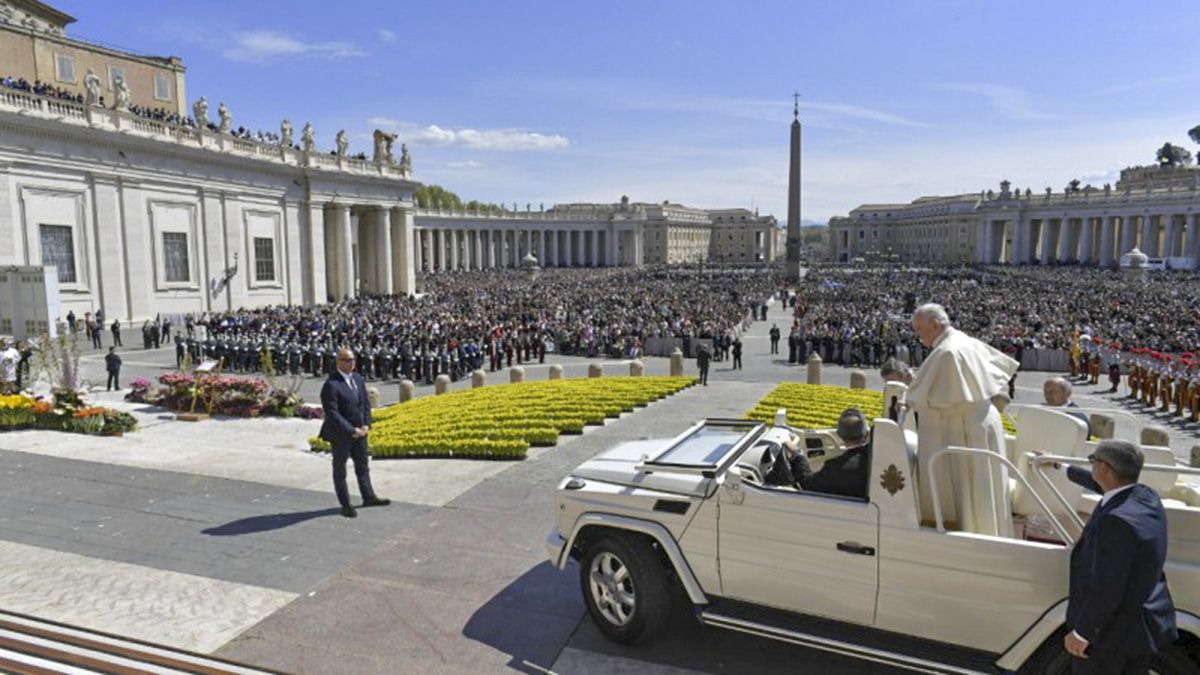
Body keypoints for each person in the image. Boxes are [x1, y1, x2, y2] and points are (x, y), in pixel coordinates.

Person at [1058, 441, 1176, 671]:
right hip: (1140, 629)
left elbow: (1107, 586)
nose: (1091, 466)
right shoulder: (1146, 496)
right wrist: (1062, 467)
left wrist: (1083, 632)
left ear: (1105, 469)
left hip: (1109, 638)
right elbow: (1102, 485)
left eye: (1093, 461)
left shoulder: (1115, 521)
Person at [904, 303, 1019, 537]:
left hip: (963, 427)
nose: (918, 335)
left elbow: (937, 399)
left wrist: (912, 396)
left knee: (970, 489)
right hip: (976, 421)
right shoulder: (961, 339)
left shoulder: (948, 352)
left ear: (935, 325)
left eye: (920, 329)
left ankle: (970, 534)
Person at [318, 348, 390, 518]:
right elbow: (332, 413)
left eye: (353, 360)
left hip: (361, 432)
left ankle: (369, 497)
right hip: (342, 434)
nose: (352, 363)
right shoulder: (331, 384)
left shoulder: (357, 378)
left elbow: (365, 403)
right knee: (340, 470)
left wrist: (366, 425)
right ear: (339, 362)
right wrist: (351, 430)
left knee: (363, 466)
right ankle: (345, 504)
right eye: (348, 360)